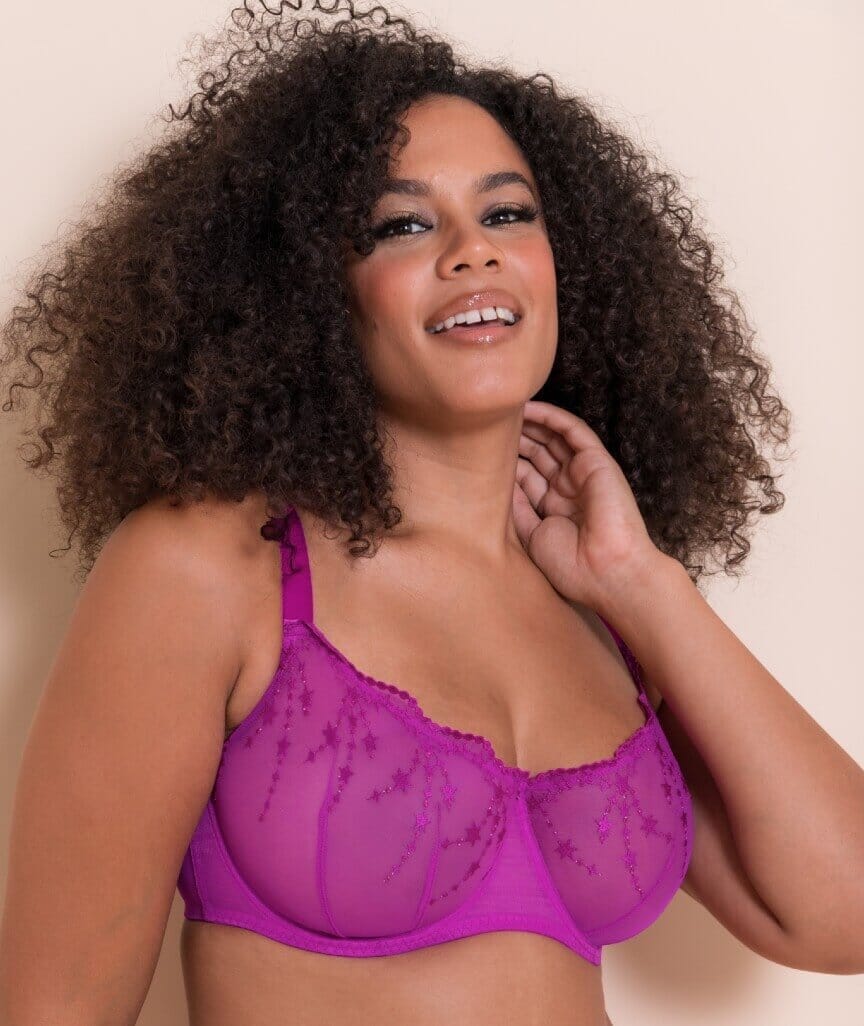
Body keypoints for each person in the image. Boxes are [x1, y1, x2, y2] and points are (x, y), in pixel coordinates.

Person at [2, 2, 863, 1024]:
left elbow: (841, 914)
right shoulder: (210, 568)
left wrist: (645, 585)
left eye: (509, 214)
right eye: (402, 225)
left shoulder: (599, 608)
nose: (472, 252)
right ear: (309, 288)